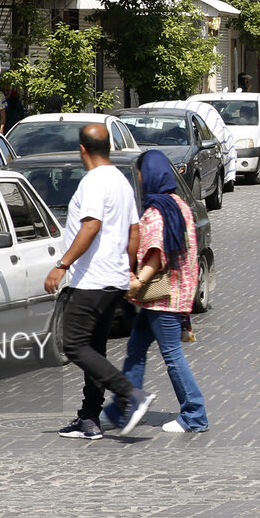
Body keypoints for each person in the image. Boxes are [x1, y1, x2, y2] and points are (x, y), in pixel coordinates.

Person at [45, 123, 153, 440]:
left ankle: (130, 394)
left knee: (73, 345)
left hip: (92, 280)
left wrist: (62, 265)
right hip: (115, 278)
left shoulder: (93, 182)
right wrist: (130, 268)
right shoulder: (121, 181)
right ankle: (89, 418)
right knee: (95, 349)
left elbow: (90, 226)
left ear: (82, 150)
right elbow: (134, 231)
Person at [102, 150, 208, 433]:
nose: (137, 178)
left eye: (138, 173)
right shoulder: (179, 205)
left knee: (172, 355)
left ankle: (194, 414)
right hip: (173, 291)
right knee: (135, 348)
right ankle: (123, 406)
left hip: (162, 294)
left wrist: (138, 280)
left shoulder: (156, 210)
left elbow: (156, 252)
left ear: (148, 174)